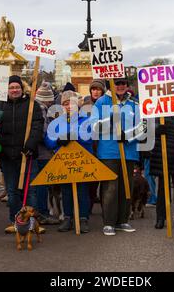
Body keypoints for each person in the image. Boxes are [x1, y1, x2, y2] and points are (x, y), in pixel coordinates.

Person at [91, 78, 145, 236]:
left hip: (128, 153)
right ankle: (108, 222)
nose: (120, 86)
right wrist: (111, 121)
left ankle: (123, 220)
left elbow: (143, 126)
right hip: (108, 152)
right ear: (112, 86)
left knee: (126, 187)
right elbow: (93, 125)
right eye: (117, 83)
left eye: (123, 84)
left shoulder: (134, 104)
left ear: (127, 86)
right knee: (110, 188)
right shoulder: (101, 102)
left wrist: (127, 136)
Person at [0, 75, 44, 234]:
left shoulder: (32, 105)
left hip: (27, 155)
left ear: (22, 88)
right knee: (12, 190)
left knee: (30, 191)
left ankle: (32, 223)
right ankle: (15, 221)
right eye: (11, 87)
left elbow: (38, 127)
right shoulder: (0, 106)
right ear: (7, 90)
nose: (14, 90)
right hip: (8, 156)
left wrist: (29, 146)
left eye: (17, 87)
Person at [45, 90, 92, 233]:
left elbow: (89, 136)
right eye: (65, 104)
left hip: (81, 161)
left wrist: (73, 135)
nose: (68, 106)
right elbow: (49, 140)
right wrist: (58, 140)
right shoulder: (57, 122)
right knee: (66, 191)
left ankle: (83, 218)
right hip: (65, 162)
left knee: (82, 190)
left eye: (71, 103)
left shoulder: (86, 119)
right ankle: (68, 217)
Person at [151, 114, 174, 230]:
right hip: (161, 154)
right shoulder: (157, 110)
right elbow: (145, 127)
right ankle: (160, 218)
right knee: (162, 188)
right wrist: (157, 129)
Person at [34, 82, 60, 225]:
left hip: (38, 151)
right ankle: (42, 213)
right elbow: (45, 132)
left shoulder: (35, 108)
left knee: (38, 184)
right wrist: (54, 142)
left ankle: (39, 211)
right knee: (42, 184)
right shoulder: (42, 110)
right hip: (43, 152)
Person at [82, 79, 106, 212]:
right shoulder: (85, 106)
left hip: (105, 145)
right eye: (93, 89)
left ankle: (106, 209)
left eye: (98, 89)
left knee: (106, 180)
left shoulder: (108, 104)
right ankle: (88, 208)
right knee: (91, 181)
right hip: (91, 146)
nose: (96, 92)